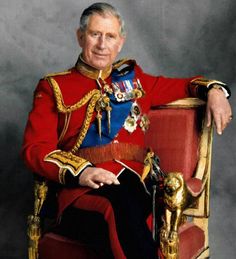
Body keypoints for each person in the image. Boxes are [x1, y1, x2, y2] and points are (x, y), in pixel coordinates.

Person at [21, 2, 232, 259]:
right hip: (81, 194)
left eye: (110, 36)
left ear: (120, 42)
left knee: (130, 196)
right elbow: (35, 150)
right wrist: (81, 172)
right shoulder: (53, 87)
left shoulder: (135, 80)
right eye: (95, 34)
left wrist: (215, 91)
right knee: (119, 202)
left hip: (137, 188)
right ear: (80, 37)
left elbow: (185, 86)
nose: (102, 44)